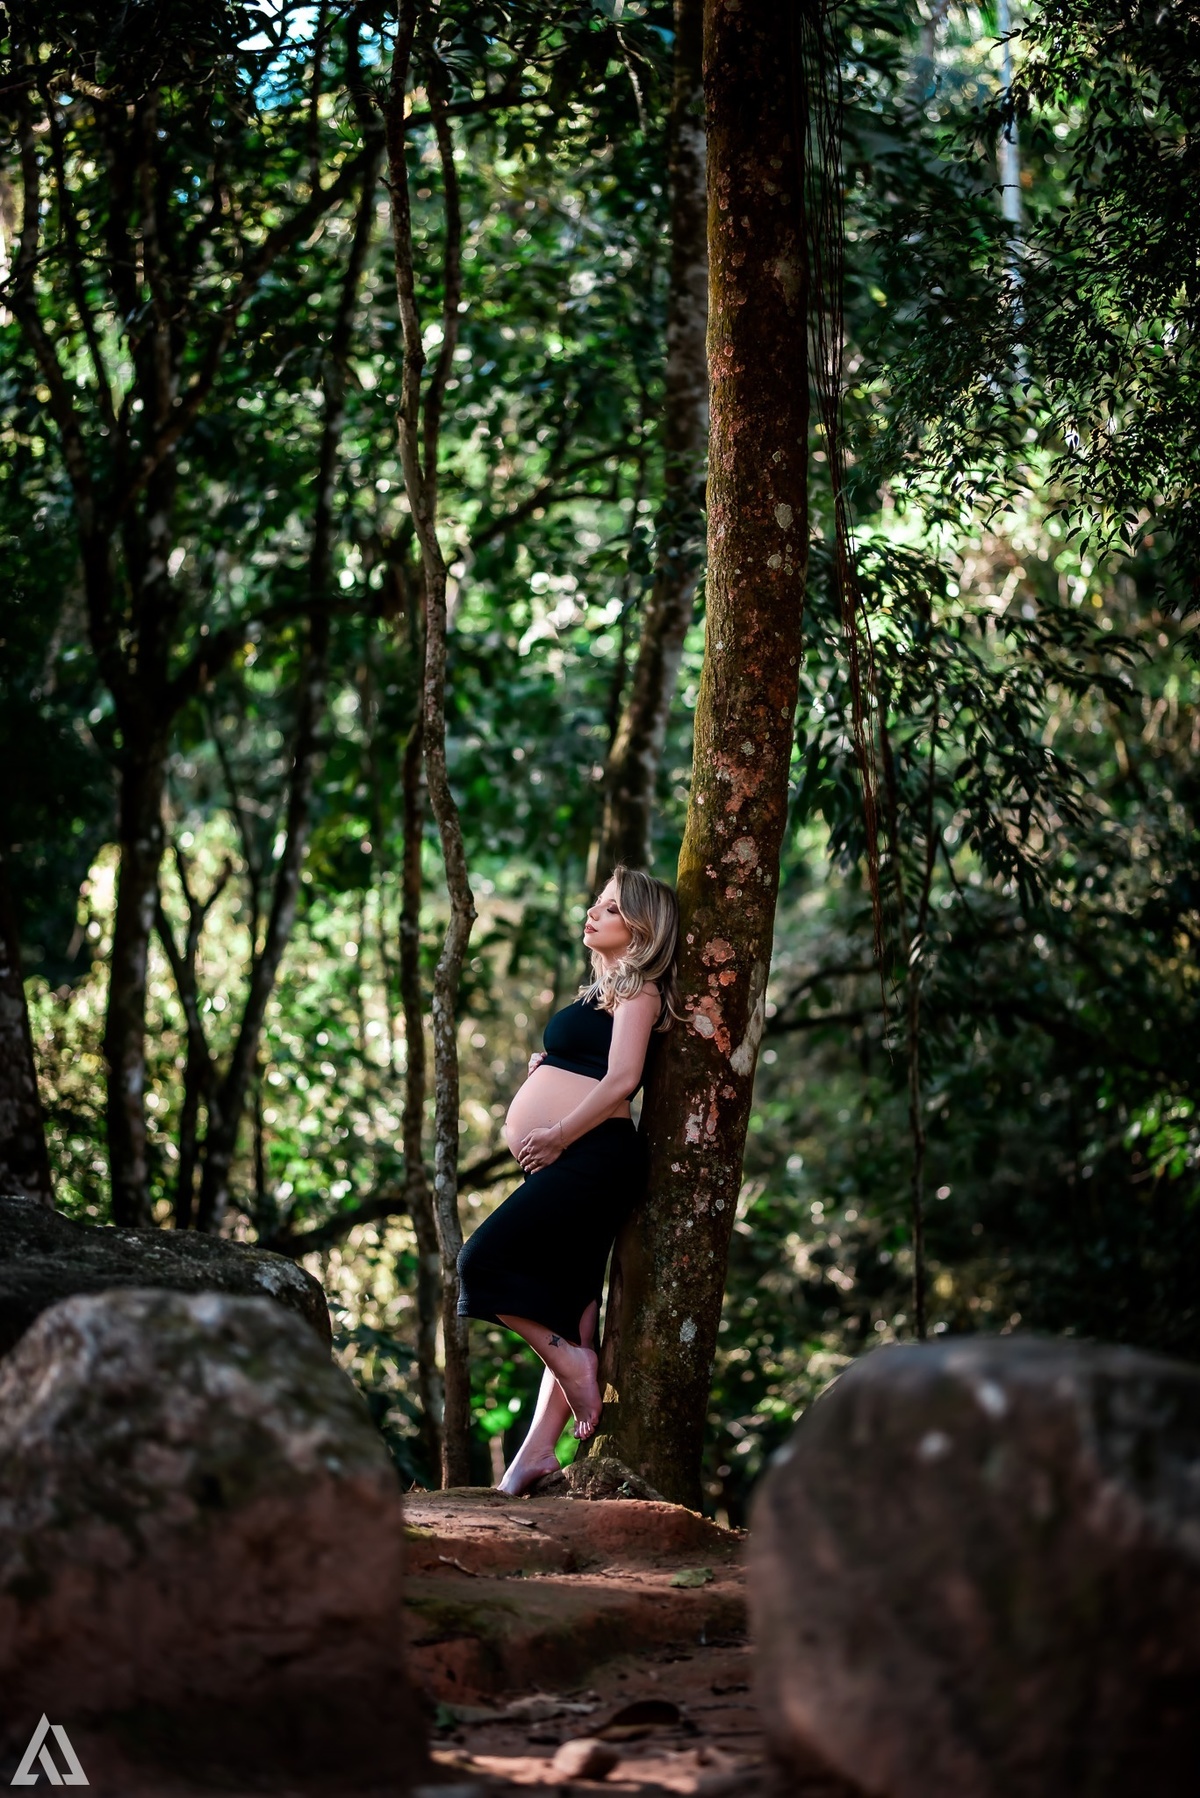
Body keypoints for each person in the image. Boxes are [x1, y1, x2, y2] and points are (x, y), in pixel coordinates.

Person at [457, 864, 679, 1495]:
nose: (592, 913)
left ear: (638, 926)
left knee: (480, 1263)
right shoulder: (596, 992)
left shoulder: (641, 992)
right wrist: (547, 1065)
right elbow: (589, 1064)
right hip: (579, 1158)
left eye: (607, 909)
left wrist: (556, 1134)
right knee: (578, 1308)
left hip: (595, 1158)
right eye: (596, 903)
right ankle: (535, 1455)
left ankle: (573, 1363)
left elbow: (621, 1082)